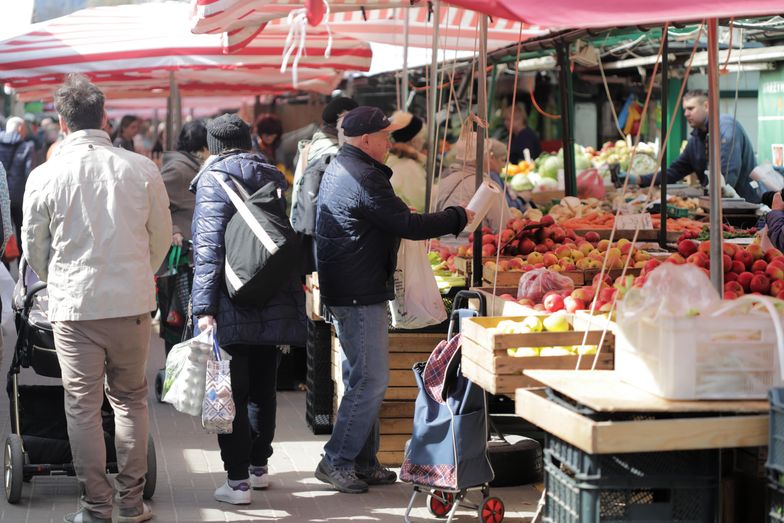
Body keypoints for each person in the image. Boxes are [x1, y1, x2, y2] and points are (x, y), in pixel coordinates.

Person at [21, 74, 171, 523]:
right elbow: (160, 239)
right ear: (104, 117)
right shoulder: (142, 168)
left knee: (82, 405)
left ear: (61, 124)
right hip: (131, 304)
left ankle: (96, 506)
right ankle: (131, 502)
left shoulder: (45, 174)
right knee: (130, 400)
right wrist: (141, 274)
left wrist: (57, 279)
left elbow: (34, 246)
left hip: (74, 305)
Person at [314, 106, 472, 494]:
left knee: (359, 377)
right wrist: (458, 217)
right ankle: (336, 460)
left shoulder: (344, 167)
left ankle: (364, 461)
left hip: (348, 285)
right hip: (358, 290)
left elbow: (388, 220)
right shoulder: (364, 175)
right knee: (370, 380)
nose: (390, 143)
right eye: (385, 136)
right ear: (366, 140)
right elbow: (406, 226)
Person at [190, 113, 306, 505]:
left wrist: (203, 307)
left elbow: (208, 250)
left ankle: (237, 481)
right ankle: (259, 468)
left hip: (230, 299)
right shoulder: (271, 174)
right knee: (262, 389)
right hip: (271, 293)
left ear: (214, 146)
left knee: (230, 392)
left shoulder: (213, 178)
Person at [631, 90, 761, 203]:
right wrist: (640, 179)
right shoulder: (695, 140)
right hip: (717, 205)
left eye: (691, 108)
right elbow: (675, 171)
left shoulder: (726, 128)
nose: (686, 114)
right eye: (684, 109)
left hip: (742, 207)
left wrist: (706, 198)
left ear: (706, 106)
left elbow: (727, 175)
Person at [435, 130, 511, 234]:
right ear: (482, 156)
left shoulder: (443, 182)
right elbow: (504, 227)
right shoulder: (489, 187)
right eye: (488, 153)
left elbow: (433, 220)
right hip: (476, 248)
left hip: (441, 248)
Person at [161, 120, 208, 248]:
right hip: (183, 252)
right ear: (204, 148)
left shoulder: (190, 166)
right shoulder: (178, 170)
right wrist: (174, 229)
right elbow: (153, 204)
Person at [0, 116, 36, 251]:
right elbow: (30, 174)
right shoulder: (27, 147)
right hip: (20, 198)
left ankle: (4, 267)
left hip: (1, 198)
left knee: (2, 231)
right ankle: (22, 266)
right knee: (22, 232)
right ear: (20, 128)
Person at [387, 111, 428, 212]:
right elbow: (422, 202)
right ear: (413, 140)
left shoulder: (392, 159)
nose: (423, 141)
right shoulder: (408, 166)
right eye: (422, 138)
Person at [486, 138, 529, 212]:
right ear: (491, 158)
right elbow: (507, 205)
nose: (504, 165)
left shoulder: (490, 175)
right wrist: (522, 199)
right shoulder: (493, 176)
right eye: (502, 160)